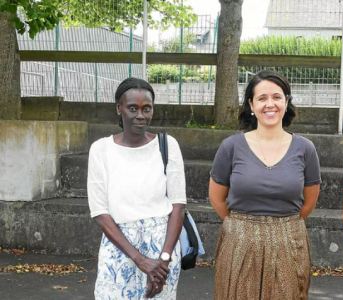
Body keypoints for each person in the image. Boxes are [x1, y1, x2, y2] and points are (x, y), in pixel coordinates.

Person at [209, 70, 321, 300]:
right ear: (251, 104)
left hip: (288, 239)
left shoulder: (305, 148)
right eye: (262, 98)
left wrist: (280, 227)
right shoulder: (230, 147)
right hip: (239, 239)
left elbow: (309, 203)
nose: (270, 104)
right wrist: (244, 226)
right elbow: (217, 199)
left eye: (277, 97)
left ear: (286, 102)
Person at [88, 77, 186, 299]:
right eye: (133, 108)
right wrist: (139, 259)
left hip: (162, 249)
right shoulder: (101, 150)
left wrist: (164, 259)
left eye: (146, 108)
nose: (140, 115)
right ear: (119, 108)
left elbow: (178, 206)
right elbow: (100, 212)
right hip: (119, 249)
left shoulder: (167, 145)